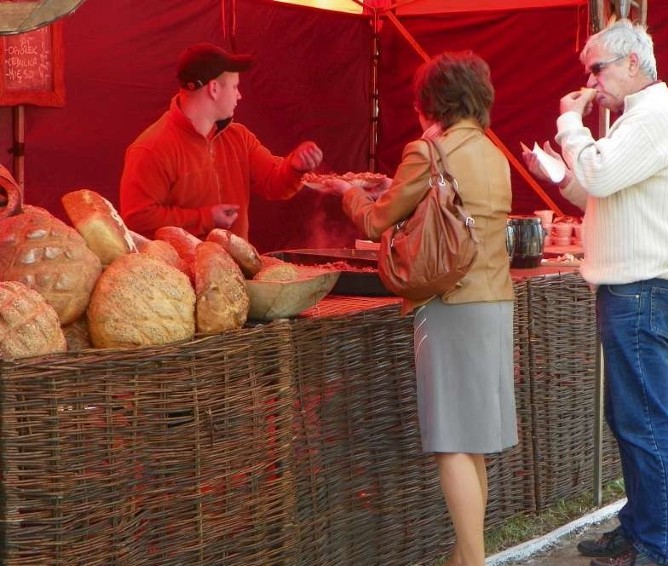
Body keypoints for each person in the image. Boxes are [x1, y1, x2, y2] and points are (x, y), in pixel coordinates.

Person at [326, 51, 517, 566]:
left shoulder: (428, 151)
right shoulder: (494, 154)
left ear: (432, 102)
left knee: (451, 440)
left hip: (449, 304)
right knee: (472, 440)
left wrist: (349, 193)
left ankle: (471, 562)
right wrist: (393, 191)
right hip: (495, 301)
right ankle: (465, 555)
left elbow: (373, 224)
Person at [523, 20, 668, 566]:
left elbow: (599, 179)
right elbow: (601, 194)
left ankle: (660, 549)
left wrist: (569, 122)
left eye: (596, 68)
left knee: (643, 423)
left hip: (643, 288)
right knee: (632, 421)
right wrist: (559, 173)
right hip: (635, 287)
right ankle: (641, 529)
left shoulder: (654, 117)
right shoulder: (640, 118)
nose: (591, 81)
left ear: (631, 63)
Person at [119, 42, 324, 240]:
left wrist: (295, 167)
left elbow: (273, 183)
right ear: (214, 89)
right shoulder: (151, 148)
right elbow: (137, 218)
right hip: (179, 274)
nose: (240, 95)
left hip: (235, 271)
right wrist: (205, 218)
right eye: (235, 87)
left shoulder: (240, 137)